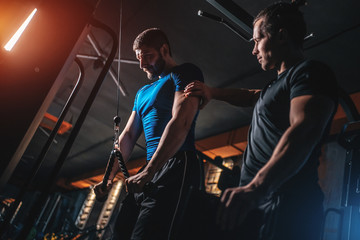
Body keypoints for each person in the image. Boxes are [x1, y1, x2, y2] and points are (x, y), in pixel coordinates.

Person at [184, 1, 338, 239]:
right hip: (258, 203)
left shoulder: (310, 72)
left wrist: (257, 187)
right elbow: (251, 96)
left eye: (257, 41)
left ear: (281, 36)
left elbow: (305, 128)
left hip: (285, 202)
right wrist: (213, 92)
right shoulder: (276, 87)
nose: (254, 50)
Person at [94, 28, 204, 240]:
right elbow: (127, 135)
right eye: (138, 58)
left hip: (177, 164)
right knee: (120, 233)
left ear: (164, 50)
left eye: (147, 56)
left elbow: (181, 121)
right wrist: (108, 178)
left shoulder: (184, 73)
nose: (142, 64)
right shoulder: (142, 93)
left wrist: (150, 171)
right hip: (149, 169)